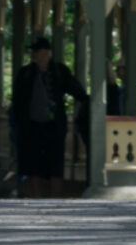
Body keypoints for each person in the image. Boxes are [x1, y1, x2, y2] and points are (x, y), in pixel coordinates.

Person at [10, 34, 87, 197]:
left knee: (56, 162)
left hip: (54, 126)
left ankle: (55, 198)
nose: (38, 55)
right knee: (32, 163)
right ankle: (36, 197)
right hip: (31, 126)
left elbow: (77, 90)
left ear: (48, 53)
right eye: (36, 52)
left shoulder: (59, 71)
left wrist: (89, 102)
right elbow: (17, 101)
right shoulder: (25, 73)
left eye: (41, 52)